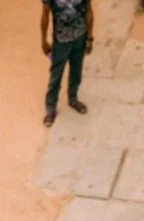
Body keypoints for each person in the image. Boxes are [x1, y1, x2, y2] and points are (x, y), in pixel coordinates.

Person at [41, 0, 93, 128]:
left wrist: (89, 38)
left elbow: (89, 11)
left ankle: (73, 99)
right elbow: (45, 15)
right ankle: (50, 109)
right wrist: (43, 40)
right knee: (56, 75)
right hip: (61, 42)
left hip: (79, 38)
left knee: (76, 71)